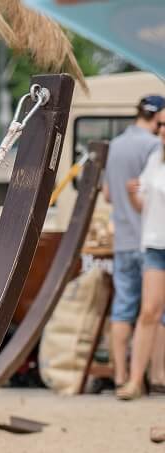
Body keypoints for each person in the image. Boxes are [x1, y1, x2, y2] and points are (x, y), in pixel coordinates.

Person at [102, 95, 164, 390]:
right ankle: (155, 375)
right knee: (154, 313)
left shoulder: (115, 145)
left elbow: (107, 195)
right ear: (156, 118)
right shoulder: (153, 148)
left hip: (124, 238)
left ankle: (120, 376)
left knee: (123, 308)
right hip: (148, 240)